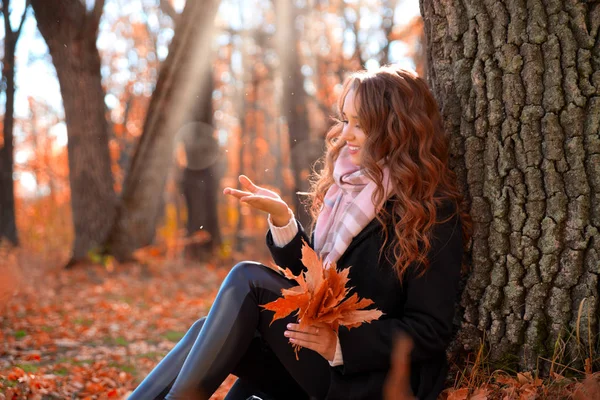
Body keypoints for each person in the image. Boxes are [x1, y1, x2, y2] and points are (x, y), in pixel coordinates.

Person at [128, 65, 471, 400]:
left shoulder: (430, 212)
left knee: (249, 279)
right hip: (315, 360)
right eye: (346, 120)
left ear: (396, 129)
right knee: (207, 330)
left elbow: (429, 330)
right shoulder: (347, 190)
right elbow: (315, 284)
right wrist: (282, 219)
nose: (346, 133)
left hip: (366, 379)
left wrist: (340, 344)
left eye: (361, 124)